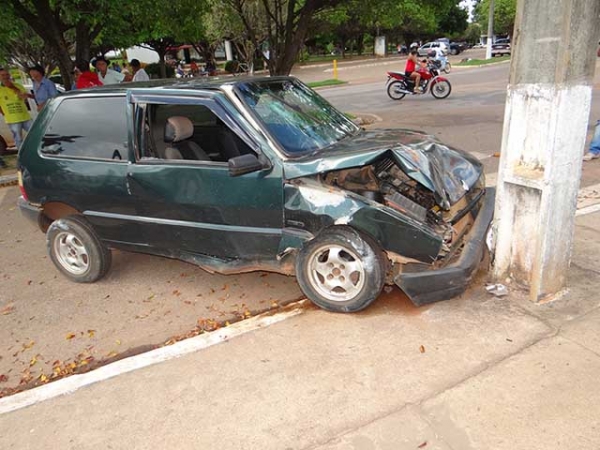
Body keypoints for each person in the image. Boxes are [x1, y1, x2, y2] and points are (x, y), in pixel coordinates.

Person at [0, 67, 33, 151]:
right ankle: (22, 156)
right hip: (12, 119)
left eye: (7, 74)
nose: (5, 77)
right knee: (18, 139)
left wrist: (13, 87)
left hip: (25, 116)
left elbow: (23, 96)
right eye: (2, 75)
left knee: (35, 133)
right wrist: (4, 114)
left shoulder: (18, 85)